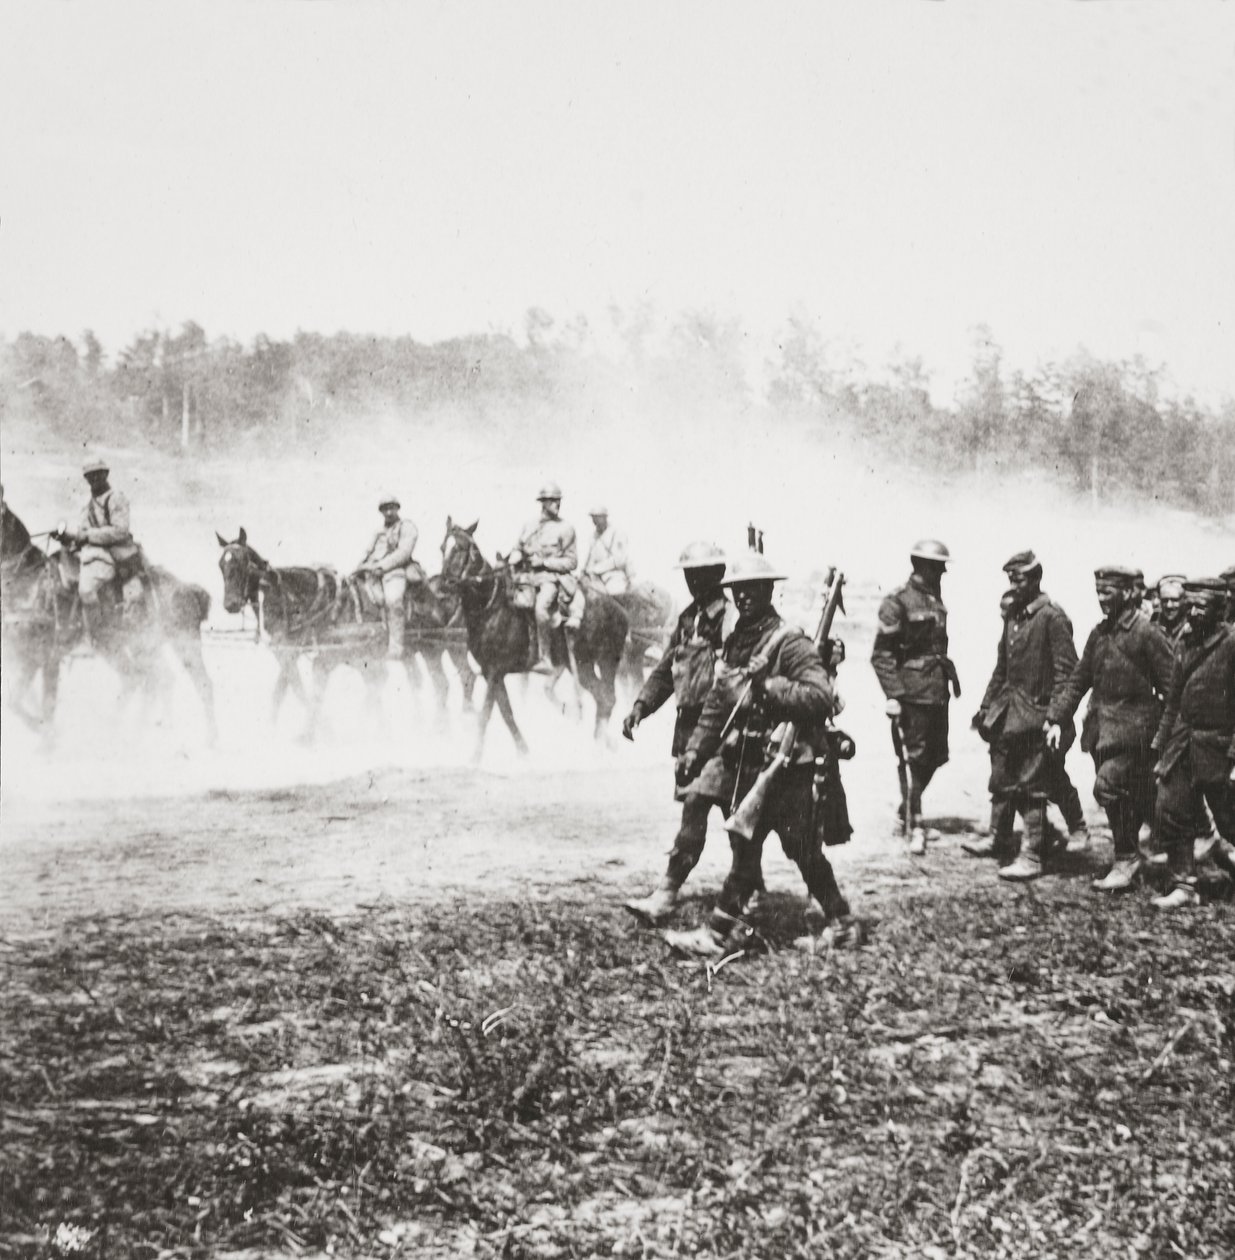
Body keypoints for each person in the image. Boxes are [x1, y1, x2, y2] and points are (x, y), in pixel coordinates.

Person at [665, 552, 863, 956]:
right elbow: (720, 702)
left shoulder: (789, 642)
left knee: (766, 847)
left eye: (752, 589)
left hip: (785, 765)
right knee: (793, 851)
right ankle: (840, 922)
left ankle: (720, 934)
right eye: (738, 590)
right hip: (752, 762)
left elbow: (820, 696)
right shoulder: (739, 640)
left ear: (769, 590)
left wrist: (770, 685)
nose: (744, 597)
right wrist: (695, 752)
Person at [621, 541, 736, 924]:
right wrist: (641, 706)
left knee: (699, 807)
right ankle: (749, 886)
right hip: (690, 733)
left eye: (700, 575)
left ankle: (667, 894)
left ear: (718, 576)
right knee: (723, 811)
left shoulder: (732, 619)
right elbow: (667, 668)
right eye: (689, 575)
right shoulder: (689, 619)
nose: (693, 582)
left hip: (725, 732)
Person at [1046, 567, 1174, 892]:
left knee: (1108, 787)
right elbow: (1078, 680)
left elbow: (1173, 688)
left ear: (1130, 593)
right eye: (1099, 591)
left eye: (1109, 592)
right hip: (1102, 733)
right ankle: (1179, 854)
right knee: (1141, 798)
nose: (1102, 598)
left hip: (1137, 735)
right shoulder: (1100, 633)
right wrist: (1056, 717)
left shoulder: (1147, 633)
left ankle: (1127, 858)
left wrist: (1165, 736)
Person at [973, 550, 1079, 882]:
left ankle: (1032, 855)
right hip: (1008, 716)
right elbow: (1002, 668)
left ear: (1035, 579)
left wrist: (1056, 718)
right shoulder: (1014, 615)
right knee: (1003, 779)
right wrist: (986, 706)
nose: (1014, 586)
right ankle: (1000, 838)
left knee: (1033, 786)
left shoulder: (1052, 617)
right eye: (1010, 579)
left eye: (1019, 579)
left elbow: (1067, 674)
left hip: (1037, 717)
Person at [870, 539, 960, 856]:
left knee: (936, 757)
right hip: (912, 693)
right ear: (918, 565)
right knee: (915, 758)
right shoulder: (897, 601)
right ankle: (915, 822)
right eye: (935, 567)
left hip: (936, 689)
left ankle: (907, 807)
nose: (941, 572)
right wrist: (894, 695)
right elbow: (881, 655)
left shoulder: (934, 598)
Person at [1150, 578, 1235, 909]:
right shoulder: (1185, 639)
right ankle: (1184, 885)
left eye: (1204, 607)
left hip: (1218, 746)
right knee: (1171, 808)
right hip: (1183, 743)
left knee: (1228, 818)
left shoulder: (1231, 643)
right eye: (1192, 605)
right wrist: (1161, 744)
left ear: (1221, 609)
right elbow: (1174, 699)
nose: (1195, 613)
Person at [56, 456, 141, 649]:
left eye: (97, 475)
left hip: (111, 554)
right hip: (91, 553)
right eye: (89, 476)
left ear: (105, 475)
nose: (93, 480)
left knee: (86, 590)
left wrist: (87, 536)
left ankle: (94, 635)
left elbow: (120, 531)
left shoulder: (115, 498)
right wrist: (67, 538)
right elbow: (82, 535)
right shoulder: (87, 506)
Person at [511, 482, 578, 674]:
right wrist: (515, 554)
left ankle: (545, 658)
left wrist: (545, 563)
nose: (557, 504)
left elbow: (572, 562)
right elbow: (518, 547)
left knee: (540, 608)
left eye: (558, 501)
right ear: (543, 503)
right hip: (525, 578)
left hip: (551, 580)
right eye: (553, 501)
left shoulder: (566, 528)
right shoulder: (529, 526)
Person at [356, 493, 421, 660]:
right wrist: (359, 567)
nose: (389, 512)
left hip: (395, 572)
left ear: (397, 508)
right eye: (385, 509)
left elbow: (403, 553)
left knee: (393, 600)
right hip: (372, 572)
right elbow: (368, 551)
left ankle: (396, 646)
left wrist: (382, 566)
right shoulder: (378, 532)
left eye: (391, 508)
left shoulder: (407, 527)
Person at [582, 506, 632, 595]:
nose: (596, 521)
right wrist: (585, 571)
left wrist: (596, 569)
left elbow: (619, 560)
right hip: (596, 578)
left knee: (616, 593)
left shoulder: (617, 533)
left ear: (605, 518)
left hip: (614, 575)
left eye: (598, 518)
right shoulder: (593, 537)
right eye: (594, 518)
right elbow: (591, 560)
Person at [1152, 575, 1189, 650]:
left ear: (1185, 600)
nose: (1169, 606)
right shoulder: (1152, 629)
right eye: (1165, 600)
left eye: (1174, 600)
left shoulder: (1192, 629)